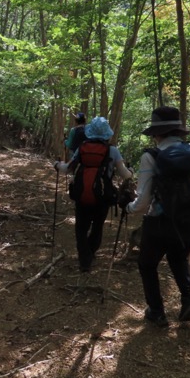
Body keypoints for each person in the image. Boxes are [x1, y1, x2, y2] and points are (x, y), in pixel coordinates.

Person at [124, 106, 190, 326]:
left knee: (147, 265)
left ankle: (156, 311)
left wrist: (128, 207)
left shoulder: (150, 156)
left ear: (157, 133)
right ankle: (188, 301)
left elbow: (143, 202)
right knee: (179, 259)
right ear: (178, 131)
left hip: (159, 223)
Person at [55, 117, 132, 272]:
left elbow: (68, 168)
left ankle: (85, 260)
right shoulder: (112, 150)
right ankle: (90, 253)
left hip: (82, 193)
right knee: (97, 227)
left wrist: (56, 165)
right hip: (103, 197)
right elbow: (125, 174)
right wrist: (131, 172)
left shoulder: (82, 147)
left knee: (81, 228)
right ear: (107, 133)